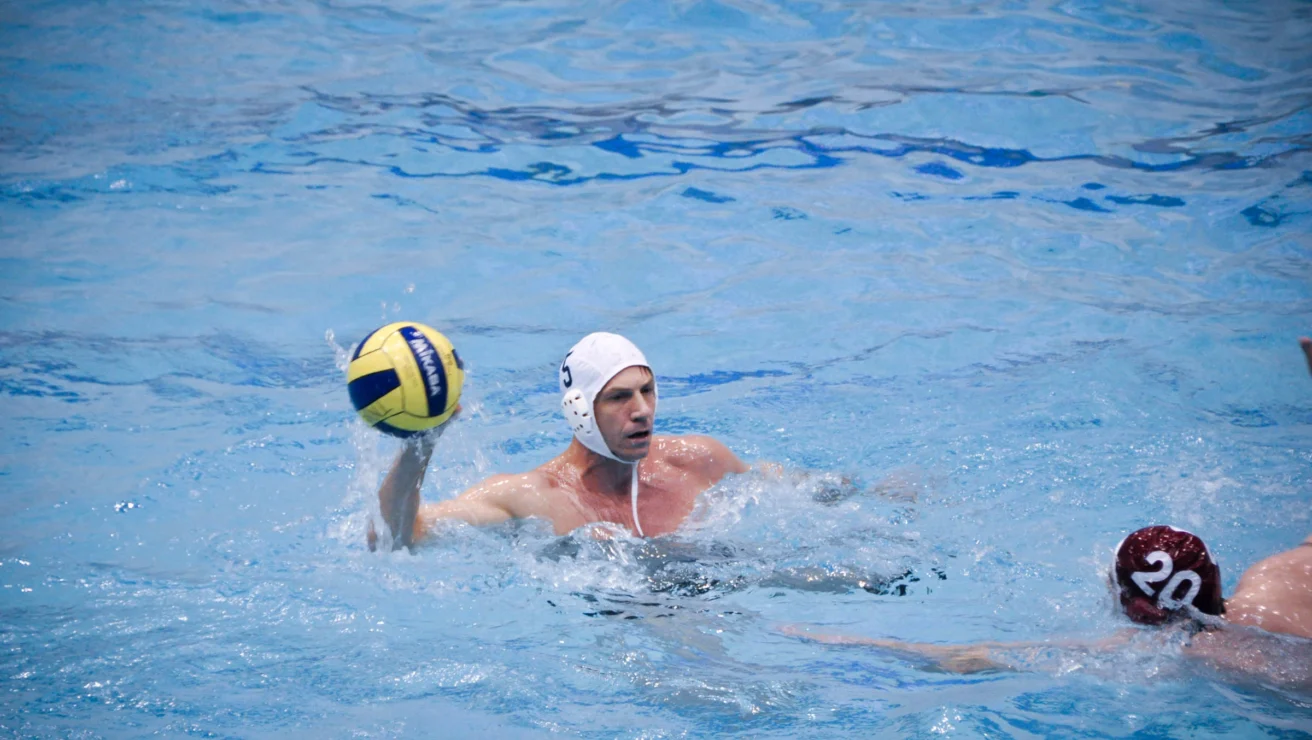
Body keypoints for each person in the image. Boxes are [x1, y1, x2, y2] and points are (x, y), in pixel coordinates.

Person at [369, 332, 752, 550]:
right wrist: (421, 444)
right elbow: (394, 537)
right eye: (619, 397)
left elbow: (798, 486)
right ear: (579, 408)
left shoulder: (696, 461)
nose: (642, 410)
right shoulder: (534, 498)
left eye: (647, 390)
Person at [783, 526, 1312, 684]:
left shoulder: (1165, 653)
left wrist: (830, 639)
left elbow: (969, 657)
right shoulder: (1283, 575)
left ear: (1127, 603)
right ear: (1215, 574)